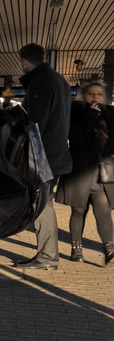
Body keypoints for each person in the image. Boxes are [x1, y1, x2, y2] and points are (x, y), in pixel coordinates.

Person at [11, 43, 72, 270]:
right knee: (43, 204)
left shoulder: (41, 83)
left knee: (41, 206)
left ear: (24, 61)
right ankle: (47, 255)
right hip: (56, 155)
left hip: (43, 157)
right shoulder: (60, 81)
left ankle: (47, 257)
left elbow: (34, 125)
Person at [55, 81, 114, 265]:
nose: (95, 97)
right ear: (83, 95)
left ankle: (109, 249)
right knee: (79, 210)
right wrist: (90, 115)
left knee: (103, 210)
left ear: (104, 97)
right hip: (80, 170)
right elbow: (75, 136)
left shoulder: (110, 113)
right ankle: (76, 250)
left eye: (99, 94)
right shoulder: (76, 111)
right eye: (91, 93)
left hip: (104, 170)